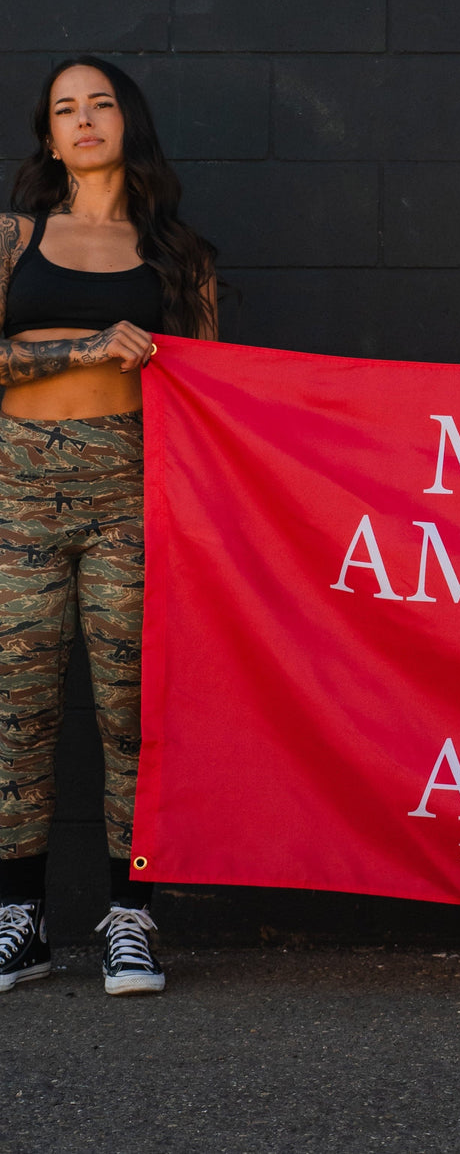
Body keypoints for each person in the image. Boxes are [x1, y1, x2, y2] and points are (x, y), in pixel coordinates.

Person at [0, 56, 217, 995]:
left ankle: (135, 919)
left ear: (128, 119)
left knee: (135, 715)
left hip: (133, 498)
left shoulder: (180, 256)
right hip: (18, 498)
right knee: (20, 712)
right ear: (47, 134)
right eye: (63, 109)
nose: (83, 120)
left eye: (99, 104)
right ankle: (22, 920)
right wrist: (87, 348)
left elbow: (215, 397)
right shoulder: (11, 237)